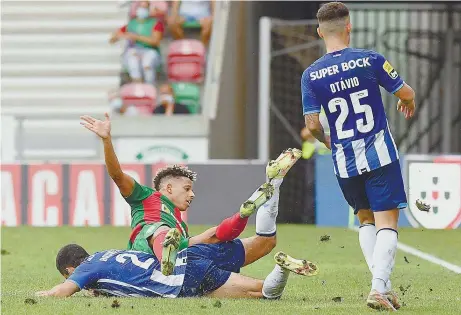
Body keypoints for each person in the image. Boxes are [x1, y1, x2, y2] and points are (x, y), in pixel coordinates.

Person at [80, 113, 302, 276]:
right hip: (143, 259)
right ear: (167, 189)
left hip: (181, 253)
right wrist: (107, 141)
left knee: (260, 242)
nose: (192, 194)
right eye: (187, 189)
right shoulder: (145, 197)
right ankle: (169, 252)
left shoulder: (179, 225)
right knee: (162, 231)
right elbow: (118, 175)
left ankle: (253, 205)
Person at [301, 2, 416, 311]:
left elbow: (311, 124)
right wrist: (411, 100)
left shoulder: (311, 75)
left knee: (364, 219)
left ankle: (384, 286)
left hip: (344, 160)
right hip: (378, 154)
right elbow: (404, 92)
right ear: (348, 27)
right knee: (388, 221)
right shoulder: (370, 60)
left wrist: (325, 139)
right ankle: (378, 288)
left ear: (319, 32)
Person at [35, 242, 316, 299]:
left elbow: (64, 292)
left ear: (71, 268)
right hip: (186, 262)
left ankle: (283, 272)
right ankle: (281, 267)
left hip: (180, 282)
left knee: (265, 296)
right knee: (261, 293)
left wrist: (45, 294)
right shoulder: (108, 254)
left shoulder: (85, 271)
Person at [110, 1, 164, 85]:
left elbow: (155, 41)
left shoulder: (155, 24)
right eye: (141, 7)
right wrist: (119, 36)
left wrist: (136, 37)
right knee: (133, 60)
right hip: (134, 50)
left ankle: (150, 86)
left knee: (147, 62)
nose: (143, 10)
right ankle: (137, 85)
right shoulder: (131, 24)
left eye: (145, 8)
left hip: (150, 51)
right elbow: (113, 38)